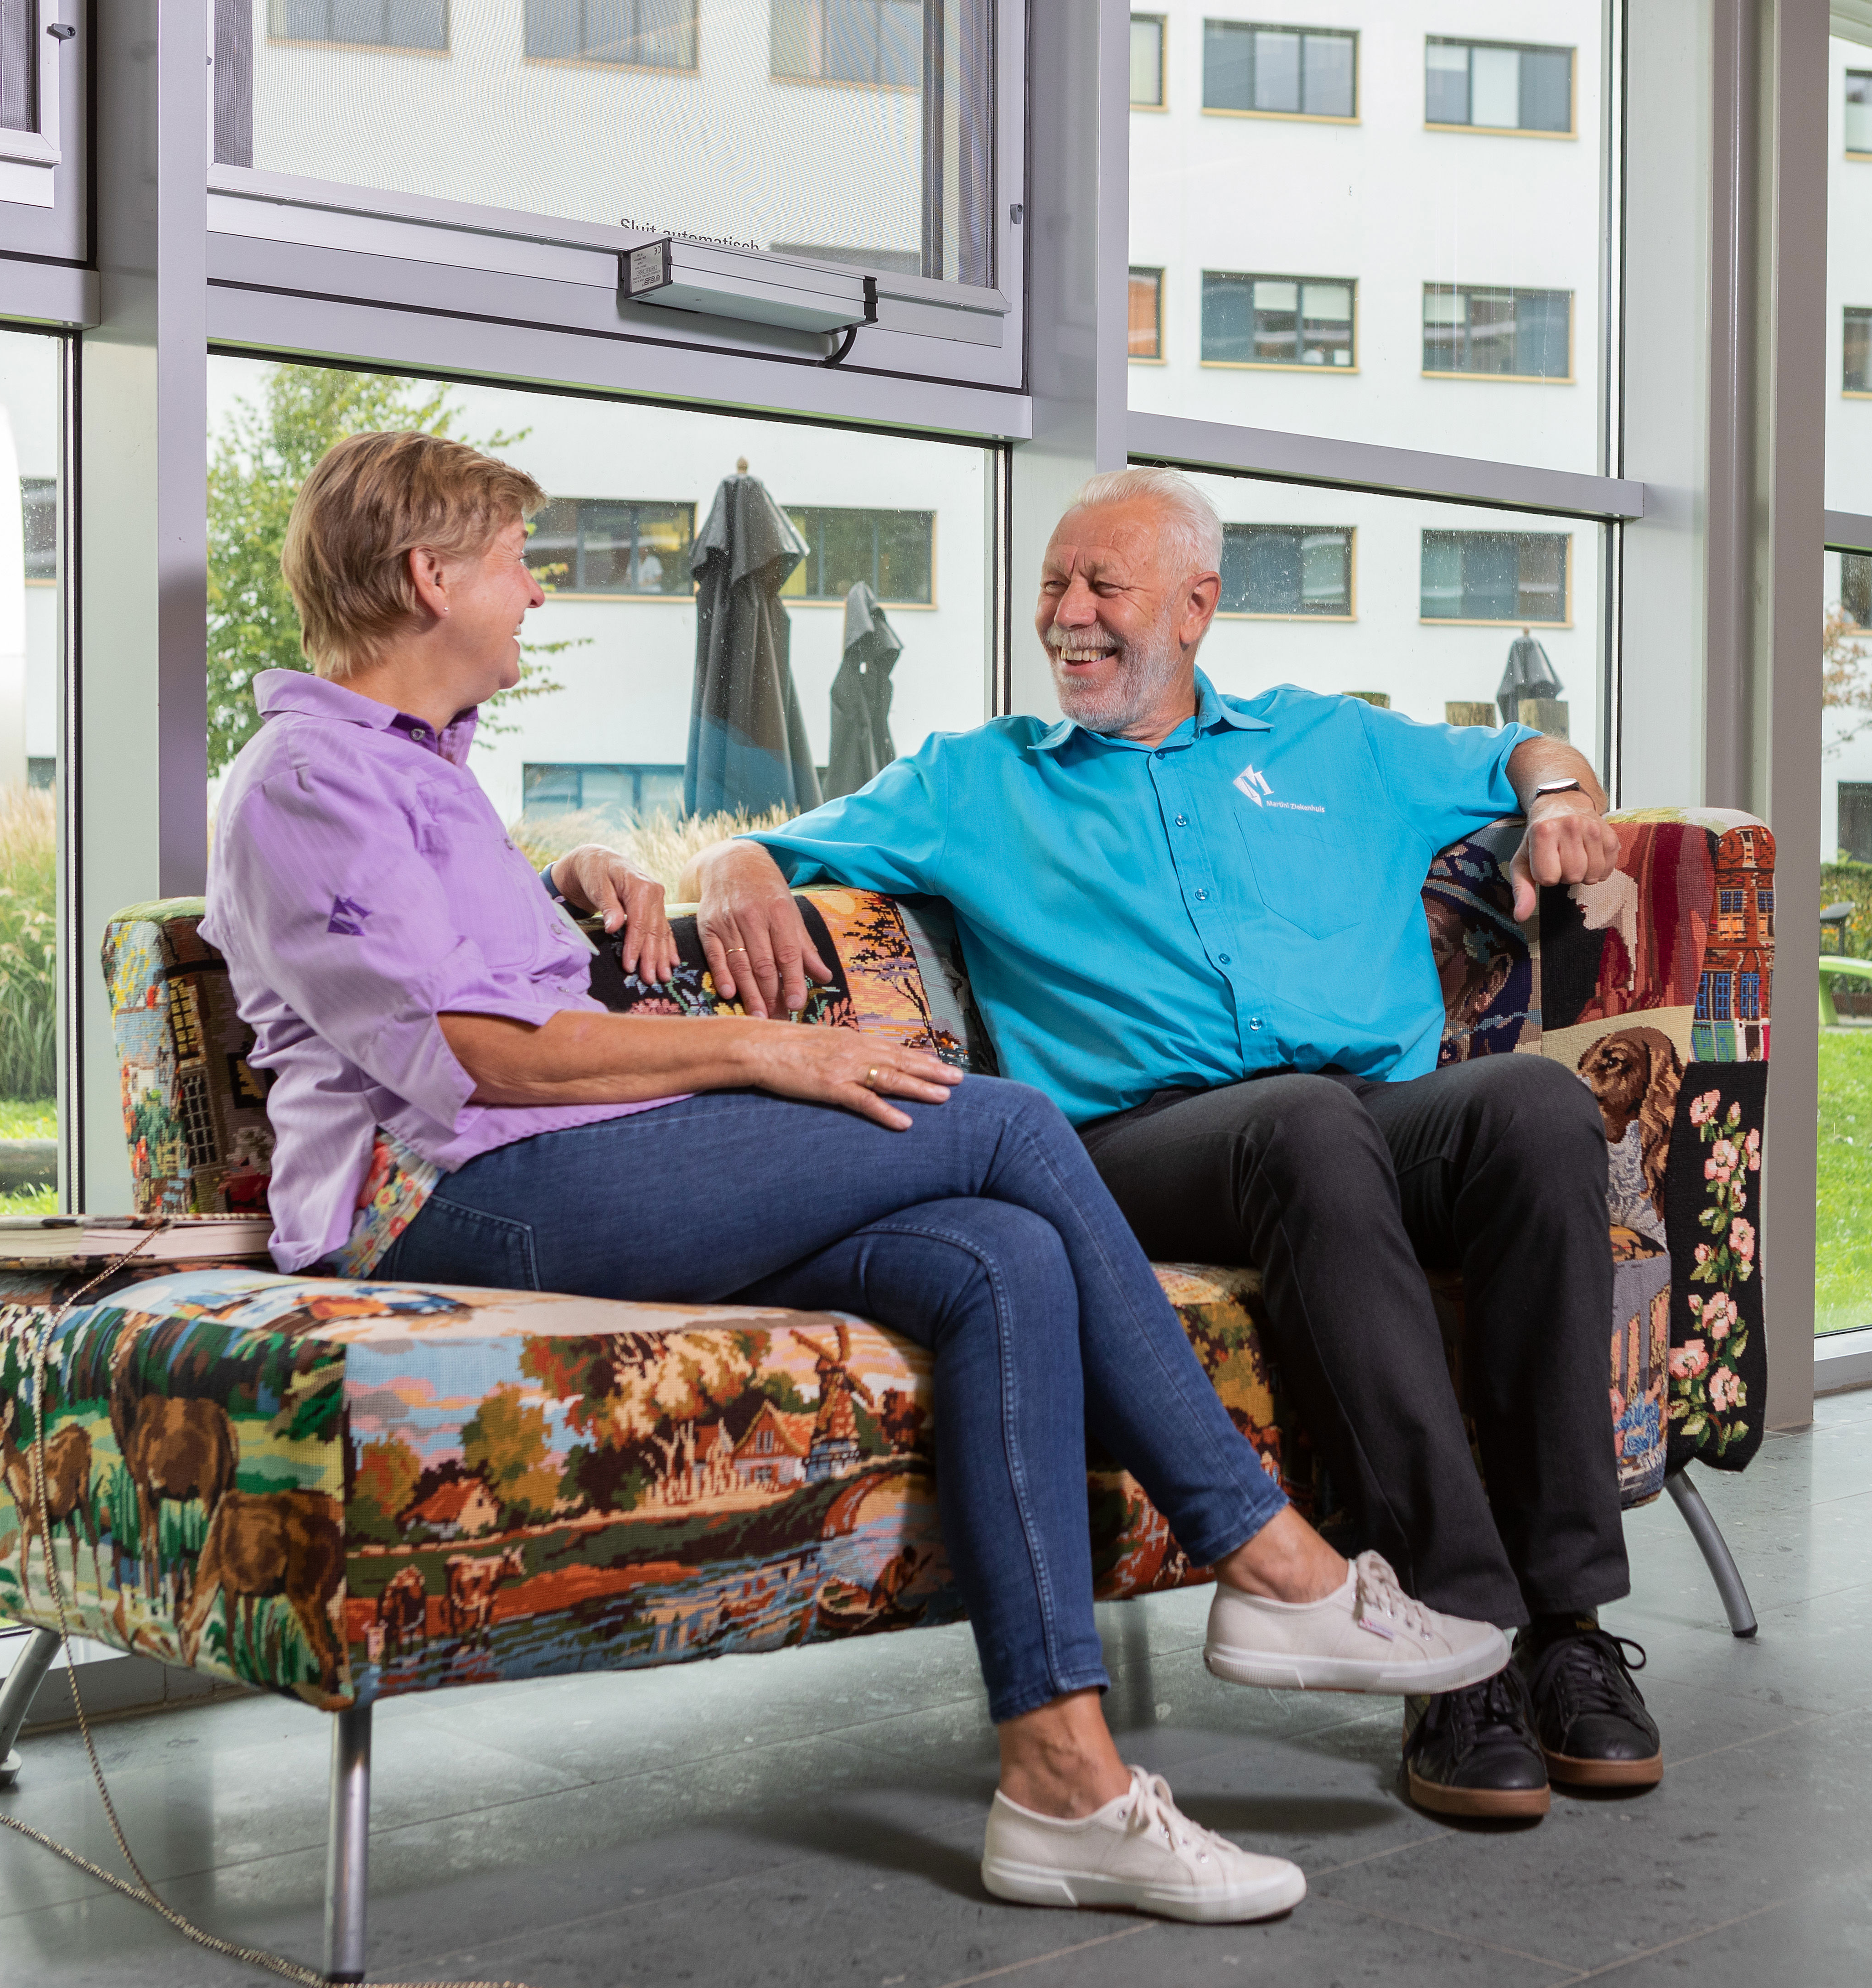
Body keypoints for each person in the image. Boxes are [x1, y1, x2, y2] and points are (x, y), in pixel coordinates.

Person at [199, 434, 1511, 1925]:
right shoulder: (308, 776)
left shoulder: (416, 767)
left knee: (999, 1258)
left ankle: (1063, 1785)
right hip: (443, 1204)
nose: (536, 593)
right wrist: (770, 1049)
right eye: (515, 563)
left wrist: (574, 881)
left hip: (565, 1167)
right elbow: (479, 1053)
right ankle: (1270, 1561)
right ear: (431, 578)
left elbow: (458, 971)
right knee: (1007, 1129)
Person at [694, 466, 1666, 1824]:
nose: (1068, 614)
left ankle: (1567, 1629)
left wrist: (1558, 796)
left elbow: (1521, 753)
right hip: (1141, 1147)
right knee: (1302, 1121)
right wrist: (733, 870)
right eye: (1054, 585)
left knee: (1537, 1110)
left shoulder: (1331, 743)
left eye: (1104, 586)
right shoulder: (977, 779)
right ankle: (1455, 1643)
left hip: (1365, 1116)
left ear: (1196, 607)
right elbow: (768, 847)